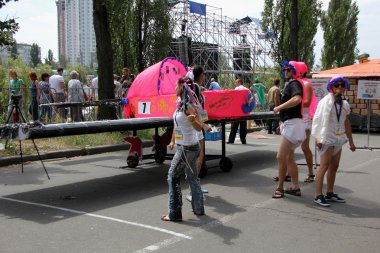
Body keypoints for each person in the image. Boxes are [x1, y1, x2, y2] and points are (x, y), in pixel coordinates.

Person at [162, 77, 204, 221]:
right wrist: (172, 140)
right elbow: (177, 125)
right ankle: (199, 208)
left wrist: (193, 120)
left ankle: (174, 213)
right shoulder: (180, 105)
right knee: (192, 178)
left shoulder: (188, 106)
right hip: (187, 147)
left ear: (182, 87)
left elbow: (199, 127)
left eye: (176, 86)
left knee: (172, 176)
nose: (174, 88)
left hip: (187, 149)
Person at [312, 76, 356, 207]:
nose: (340, 88)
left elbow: (347, 123)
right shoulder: (325, 102)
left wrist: (351, 142)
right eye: (337, 85)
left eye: (342, 85)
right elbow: (317, 120)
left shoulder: (345, 104)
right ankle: (318, 195)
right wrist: (317, 138)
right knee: (324, 166)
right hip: (326, 139)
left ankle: (329, 193)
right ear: (331, 87)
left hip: (338, 139)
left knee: (334, 166)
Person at [272, 61, 305, 199]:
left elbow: (297, 99)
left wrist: (279, 107)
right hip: (291, 124)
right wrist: (282, 122)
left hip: (293, 125)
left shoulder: (294, 83)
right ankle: (295, 187)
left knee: (281, 157)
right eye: (284, 69)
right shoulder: (289, 84)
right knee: (289, 158)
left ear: (294, 71)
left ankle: (279, 188)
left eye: (289, 69)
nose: (286, 71)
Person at [298, 62, 318, 183]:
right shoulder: (298, 83)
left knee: (304, 147)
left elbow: (307, 102)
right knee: (292, 147)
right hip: (300, 118)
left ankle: (311, 173)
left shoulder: (306, 83)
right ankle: (289, 173)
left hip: (304, 118)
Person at [192, 65, 212, 176]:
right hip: (197, 121)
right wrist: (203, 122)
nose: (204, 76)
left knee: (199, 150)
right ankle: (196, 176)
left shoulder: (197, 87)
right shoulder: (195, 87)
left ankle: (197, 176)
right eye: (203, 74)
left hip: (199, 120)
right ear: (200, 75)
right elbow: (197, 107)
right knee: (199, 150)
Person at [227, 79, 248, 144]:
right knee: (243, 125)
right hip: (244, 109)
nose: (235, 83)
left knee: (234, 125)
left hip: (237, 110)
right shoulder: (246, 89)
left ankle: (231, 140)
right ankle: (243, 140)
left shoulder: (237, 88)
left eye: (236, 82)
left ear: (239, 82)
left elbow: (233, 98)